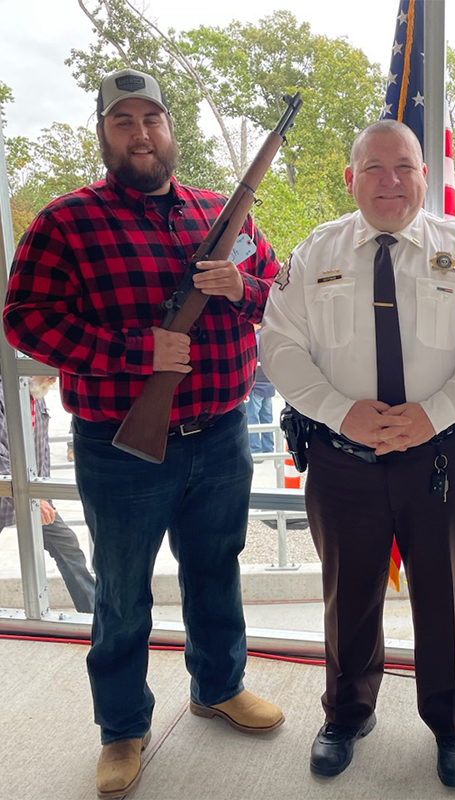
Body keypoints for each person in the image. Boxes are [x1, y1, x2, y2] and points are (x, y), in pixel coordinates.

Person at [3, 68, 284, 800]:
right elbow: (25, 319)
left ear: (170, 129)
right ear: (103, 132)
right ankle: (122, 729)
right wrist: (136, 352)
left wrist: (241, 288)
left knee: (216, 569)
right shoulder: (65, 221)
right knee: (123, 593)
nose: (140, 133)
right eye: (122, 121)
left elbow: (277, 295)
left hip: (222, 434)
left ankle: (218, 687)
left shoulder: (223, 215)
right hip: (122, 446)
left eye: (150, 119)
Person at [261, 119, 455, 788]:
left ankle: (453, 723)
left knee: (445, 596)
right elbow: (280, 347)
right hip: (342, 456)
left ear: (424, 177)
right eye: (374, 168)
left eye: (404, 167)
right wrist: (339, 409)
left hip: (438, 458)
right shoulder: (315, 253)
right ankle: (347, 714)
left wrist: (429, 416)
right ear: (350, 179)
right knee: (348, 594)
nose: (390, 180)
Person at [0, 373, 95, 613]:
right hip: (12, 492)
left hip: (33, 496)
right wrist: (33, 496)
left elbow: (39, 446)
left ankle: (95, 615)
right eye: (47, 372)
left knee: (67, 545)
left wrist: (42, 494)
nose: (53, 379)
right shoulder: (6, 395)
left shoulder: (35, 394)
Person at [245, 329, 276, 453]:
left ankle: (255, 450)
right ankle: (269, 448)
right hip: (269, 386)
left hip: (256, 385)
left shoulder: (255, 339)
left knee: (253, 418)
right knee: (267, 418)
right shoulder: (270, 339)